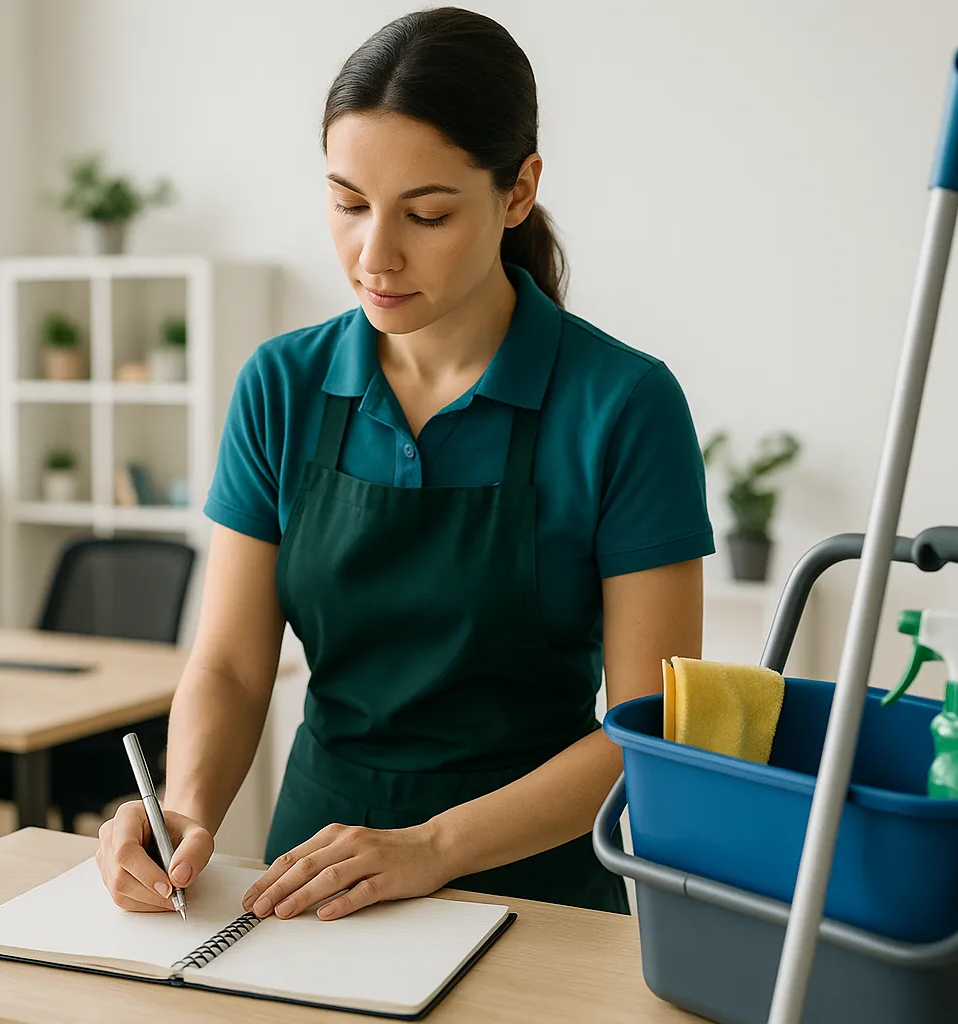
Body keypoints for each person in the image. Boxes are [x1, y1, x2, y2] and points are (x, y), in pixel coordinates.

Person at [95, 6, 712, 921]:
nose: (373, 256)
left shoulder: (622, 404)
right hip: (308, 882)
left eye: (425, 214)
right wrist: (179, 807)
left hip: (538, 893)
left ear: (517, 191)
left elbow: (650, 734)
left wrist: (434, 848)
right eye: (347, 205)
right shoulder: (282, 385)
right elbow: (228, 665)